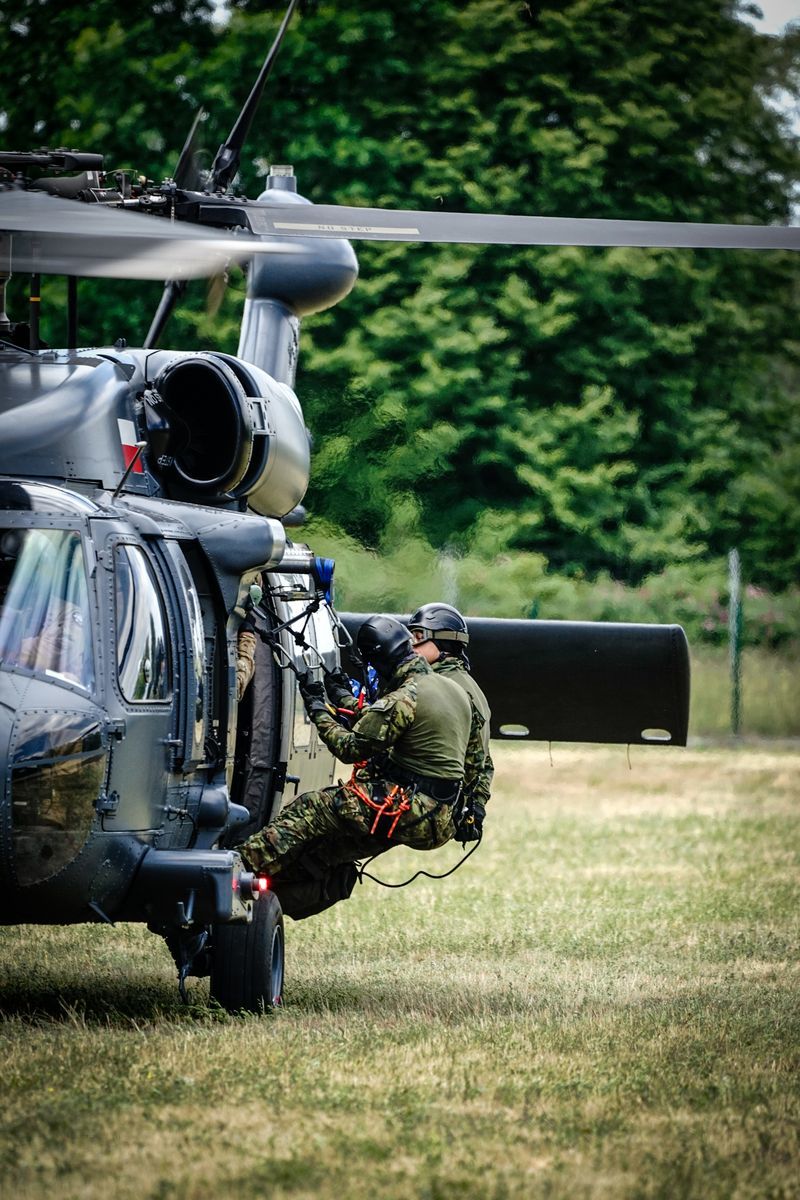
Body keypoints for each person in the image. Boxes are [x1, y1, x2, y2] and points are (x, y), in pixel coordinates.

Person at [236, 615, 485, 900]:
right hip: (443, 817)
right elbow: (475, 761)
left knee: (313, 807)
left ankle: (239, 865)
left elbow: (350, 748)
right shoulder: (453, 690)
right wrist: (340, 696)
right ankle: (272, 893)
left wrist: (317, 708)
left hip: (414, 809)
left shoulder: (405, 697)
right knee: (329, 848)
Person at [407, 602, 493, 841]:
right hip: (446, 807)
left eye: (418, 637)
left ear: (442, 642)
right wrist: (476, 806)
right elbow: (484, 761)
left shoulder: (440, 687)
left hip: (425, 803)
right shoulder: (467, 684)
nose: (411, 645)